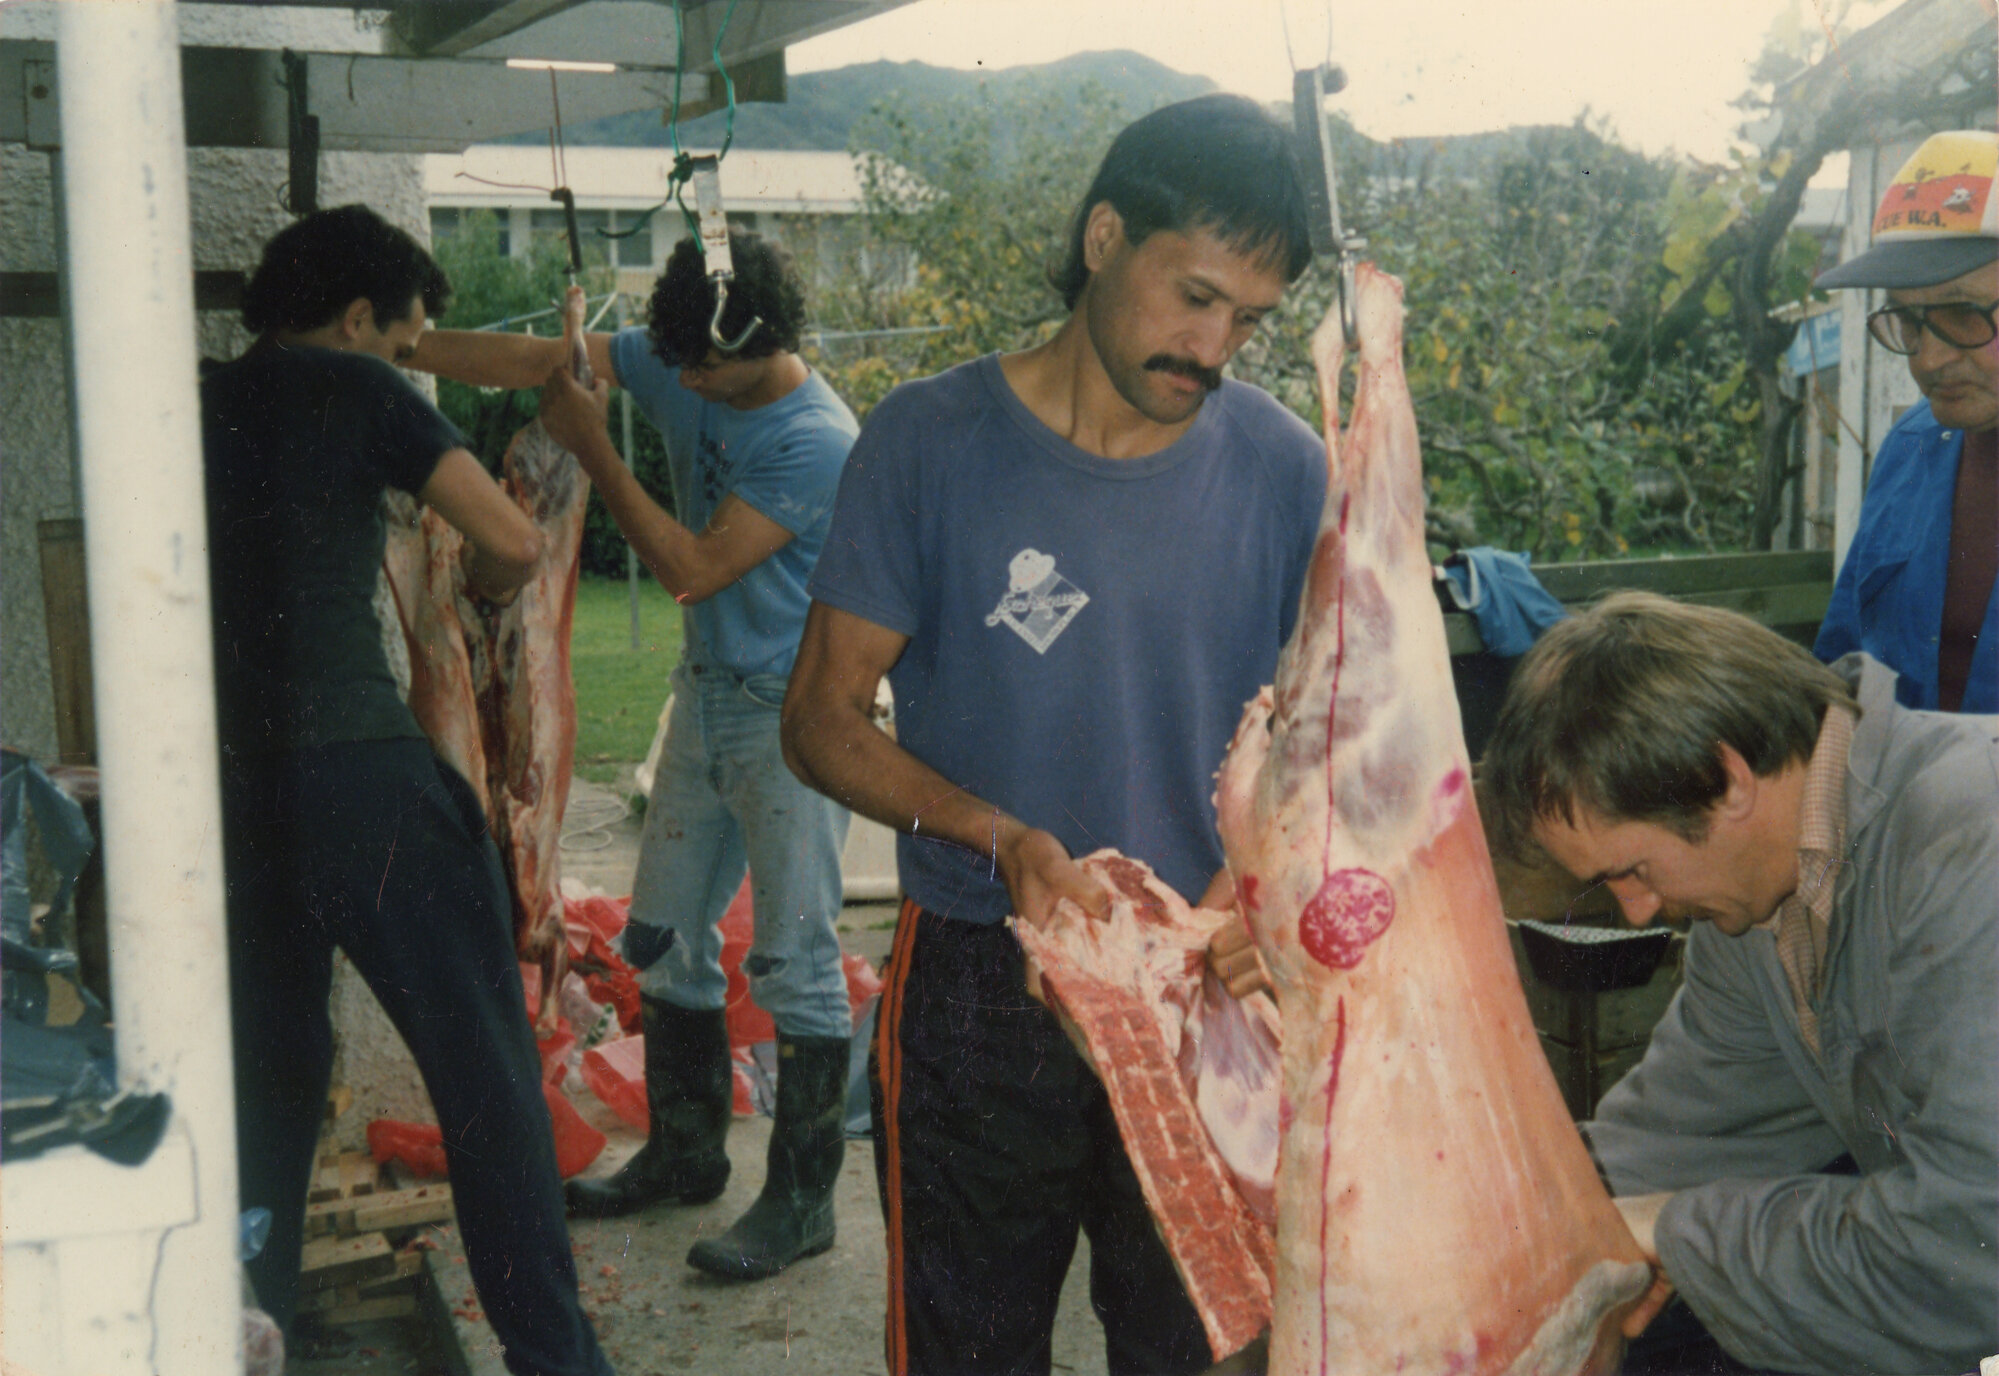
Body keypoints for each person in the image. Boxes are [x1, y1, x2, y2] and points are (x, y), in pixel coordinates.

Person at [780, 94, 1324, 1375]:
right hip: (981, 973)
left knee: (1203, 1352)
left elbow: (1329, 741)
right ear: (1102, 237)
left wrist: (1257, 895)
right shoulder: (929, 440)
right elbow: (819, 718)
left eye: (1248, 320)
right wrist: (1003, 836)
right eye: (1194, 296)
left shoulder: (1284, 467)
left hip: (1204, 982)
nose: (1213, 348)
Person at [204, 205, 612, 1376]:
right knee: (486, 1077)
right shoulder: (361, 389)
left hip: (234, 795)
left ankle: (250, 1334)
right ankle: (556, 1359)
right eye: (402, 340)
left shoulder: (200, 400)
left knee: (267, 1087)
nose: (404, 360)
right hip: (362, 780)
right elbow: (511, 539)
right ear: (354, 319)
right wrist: (478, 585)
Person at [408, 230, 858, 1282]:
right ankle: (686, 1152)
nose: (682, 383)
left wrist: (592, 444)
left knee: (795, 962)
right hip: (703, 701)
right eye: (675, 362)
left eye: (703, 370)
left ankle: (802, 1202)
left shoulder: (818, 441)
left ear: (761, 343)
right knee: (660, 938)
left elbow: (692, 569)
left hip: (790, 719)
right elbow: (544, 361)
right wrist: (404, 348)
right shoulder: (690, 351)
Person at [1480, 591, 1997, 1376]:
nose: (1638, 908)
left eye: (1631, 869)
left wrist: (1673, 1232)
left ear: (1725, 779)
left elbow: (1972, 1246)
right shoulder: (1758, 900)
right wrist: (1507, 1228)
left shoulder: (1969, 839)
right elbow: (1684, 1131)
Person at [1813, 128, 1998, 712]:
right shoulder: (1912, 447)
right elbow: (1841, 669)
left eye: (1964, 315)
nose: (1928, 358)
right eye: (1910, 321)